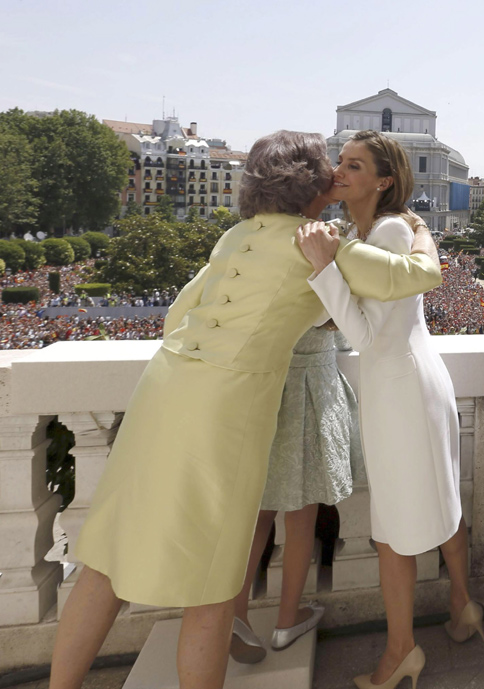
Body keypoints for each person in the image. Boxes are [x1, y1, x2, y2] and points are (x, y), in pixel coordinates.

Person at [49, 130, 443, 689]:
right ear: (310, 183)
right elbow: (421, 276)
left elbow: (176, 318)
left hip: (162, 391)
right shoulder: (322, 242)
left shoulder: (236, 236)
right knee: (211, 587)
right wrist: (423, 231)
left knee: (106, 562)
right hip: (223, 413)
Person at [297, 130, 482, 689]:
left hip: (399, 387)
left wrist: (324, 271)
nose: (341, 171)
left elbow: (372, 338)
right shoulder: (373, 231)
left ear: (384, 179)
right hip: (407, 383)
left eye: (355, 165)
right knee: (439, 499)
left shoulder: (391, 230)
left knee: (393, 530)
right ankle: (461, 606)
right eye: (340, 162)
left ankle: (401, 650)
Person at [229, 325, 363, 663]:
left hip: (268, 393)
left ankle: (236, 615)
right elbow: (348, 334)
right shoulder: (324, 273)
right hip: (313, 392)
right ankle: (287, 621)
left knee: (257, 517)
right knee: (302, 519)